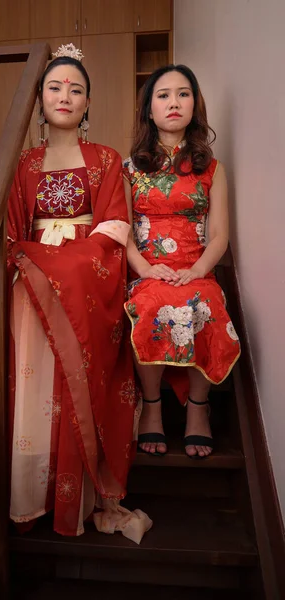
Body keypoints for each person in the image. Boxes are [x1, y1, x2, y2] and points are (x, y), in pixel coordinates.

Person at [5, 44, 151, 540]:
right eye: (54, 87)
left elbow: (113, 227)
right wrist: (36, 257)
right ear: (38, 99)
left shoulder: (106, 158)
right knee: (25, 298)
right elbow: (9, 232)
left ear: (88, 103)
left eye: (76, 89)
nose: (65, 96)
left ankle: (80, 489)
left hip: (86, 275)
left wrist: (62, 258)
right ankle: (31, 489)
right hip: (34, 282)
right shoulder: (22, 163)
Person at [123, 64, 241, 460]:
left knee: (206, 303)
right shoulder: (129, 168)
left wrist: (198, 270)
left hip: (196, 266)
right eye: (163, 95)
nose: (174, 102)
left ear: (195, 104)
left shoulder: (212, 168)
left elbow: (221, 233)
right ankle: (152, 407)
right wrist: (143, 268)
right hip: (148, 268)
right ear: (148, 110)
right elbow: (122, 230)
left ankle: (198, 410)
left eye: (183, 93)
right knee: (149, 304)